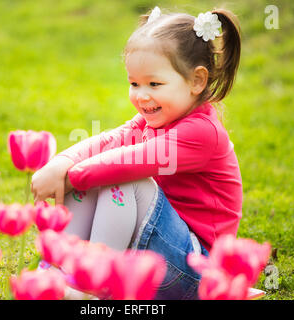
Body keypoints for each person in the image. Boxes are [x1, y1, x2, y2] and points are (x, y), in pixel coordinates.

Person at [31, 6, 243, 300]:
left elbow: (129, 161)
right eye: (134, 83)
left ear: (197, 81)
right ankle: (57, 272)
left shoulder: (203, 133)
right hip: (161, 252)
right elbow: (111, 141)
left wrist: (73, 176)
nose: (141, 95)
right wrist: (62, 164)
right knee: (97, 176)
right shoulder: (155, 119)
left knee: (125, 178)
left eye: (154, 84)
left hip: (197, 272)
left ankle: (94, 286)